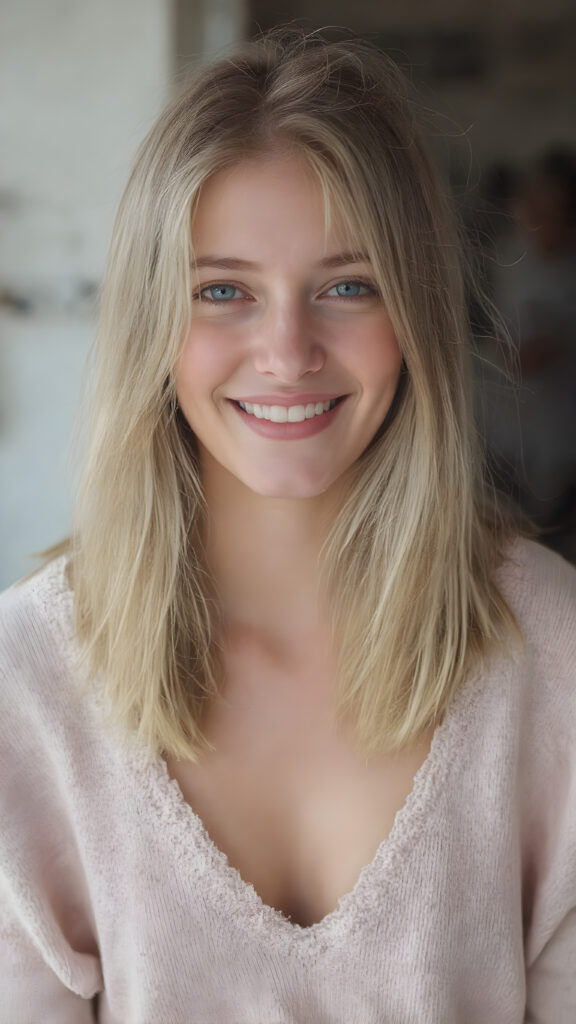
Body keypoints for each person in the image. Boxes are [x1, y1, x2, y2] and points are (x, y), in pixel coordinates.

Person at [0, 30, 575, 1024]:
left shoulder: (551, 644)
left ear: (415, 309)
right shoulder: (27, 680)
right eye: (223, 291)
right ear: (152, 323)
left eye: (347, 285)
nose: (286, 350)